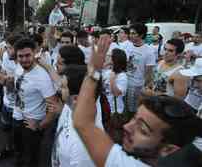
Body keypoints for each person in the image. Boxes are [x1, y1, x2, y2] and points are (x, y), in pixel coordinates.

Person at [73, 34, 202, 167]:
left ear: (168, 149)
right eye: (134, 119)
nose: (126, 127)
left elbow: (82, 122)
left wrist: (94, 71)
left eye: (143, 130)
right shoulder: (160, 64)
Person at [12, 38, 57, 167]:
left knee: (31, 160)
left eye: (28, 55)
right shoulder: (18, 68)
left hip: (32, 124)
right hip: (18, 117)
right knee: (19, 155)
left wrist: (39, 126)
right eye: (21, 56)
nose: (24, 59)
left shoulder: (41, 77)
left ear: (34, 53)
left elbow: (53, 106)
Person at [51, 65, 103, 167]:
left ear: (76, 98)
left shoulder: (83, 147)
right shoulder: (70, 106)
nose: (59, 90)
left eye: (63, 87)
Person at [0, 34, 22, 158]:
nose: (7, 50)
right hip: (7, 101)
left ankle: (19, 154)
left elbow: (22, 87)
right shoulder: (6, 56)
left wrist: (8, 80)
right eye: (7, 47)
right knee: (6, 128)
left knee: (20, 135)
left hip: (21, 108)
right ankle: (8, 148)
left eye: (10, 48)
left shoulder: (25, 62)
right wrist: (7, 80)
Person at [126, 23, 156, 113]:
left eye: (133, 33)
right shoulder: (128, 46)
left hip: (137, 85)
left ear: (141, 35)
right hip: (124, 82)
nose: (130, 35)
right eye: (130, 33)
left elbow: (149, 73)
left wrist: (145, 87)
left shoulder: (149, 51)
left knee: (133, 110)